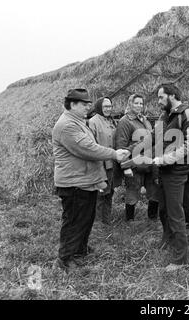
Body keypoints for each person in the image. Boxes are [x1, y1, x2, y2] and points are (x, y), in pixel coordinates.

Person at [52, 88, 130, 272]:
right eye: (84, 104)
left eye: (89, 103)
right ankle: (65, 259)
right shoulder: (67, 125)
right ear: (72, 105)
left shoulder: (79, 122)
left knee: (86, 218)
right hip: (73, 183)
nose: (88, 107)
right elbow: (88, 149)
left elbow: (92, 146)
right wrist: (114, 154)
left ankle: (79, 250)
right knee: (74, 221)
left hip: (83, 181)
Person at [152, 83, 189, 270]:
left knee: (175, 214)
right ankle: (168, 239)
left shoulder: (187, 115)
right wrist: (130, 151)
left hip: (176, 172)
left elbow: (188, 146)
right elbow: (153, 136)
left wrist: (164, 160)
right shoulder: (165, 115)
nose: (159, 101)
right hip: (163, 171)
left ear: (171, 96)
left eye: (161, 97)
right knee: (163, 210)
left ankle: (181, 259)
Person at [115, 94, 159, 221]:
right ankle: (129, 221)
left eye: (141, 103)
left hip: (149, 162)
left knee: (154, 191)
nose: (139, 106)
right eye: (136, 103)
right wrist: (125, 167)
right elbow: (121, 146)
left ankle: (152, 219)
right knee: (132, 192)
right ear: (130, 104)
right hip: (134, 164)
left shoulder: (144, 120)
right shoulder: (125, 121)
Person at [88, 96, 120, 225]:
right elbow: (91, 145)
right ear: (99, 107)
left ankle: (106, 220)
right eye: (105, 106)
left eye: (110, 106)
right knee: (100, 194)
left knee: (109, 192)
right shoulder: (93, 122)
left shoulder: (111, 121)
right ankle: (96, 223)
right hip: (100, 164)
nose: (108, 109)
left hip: (111, 164)